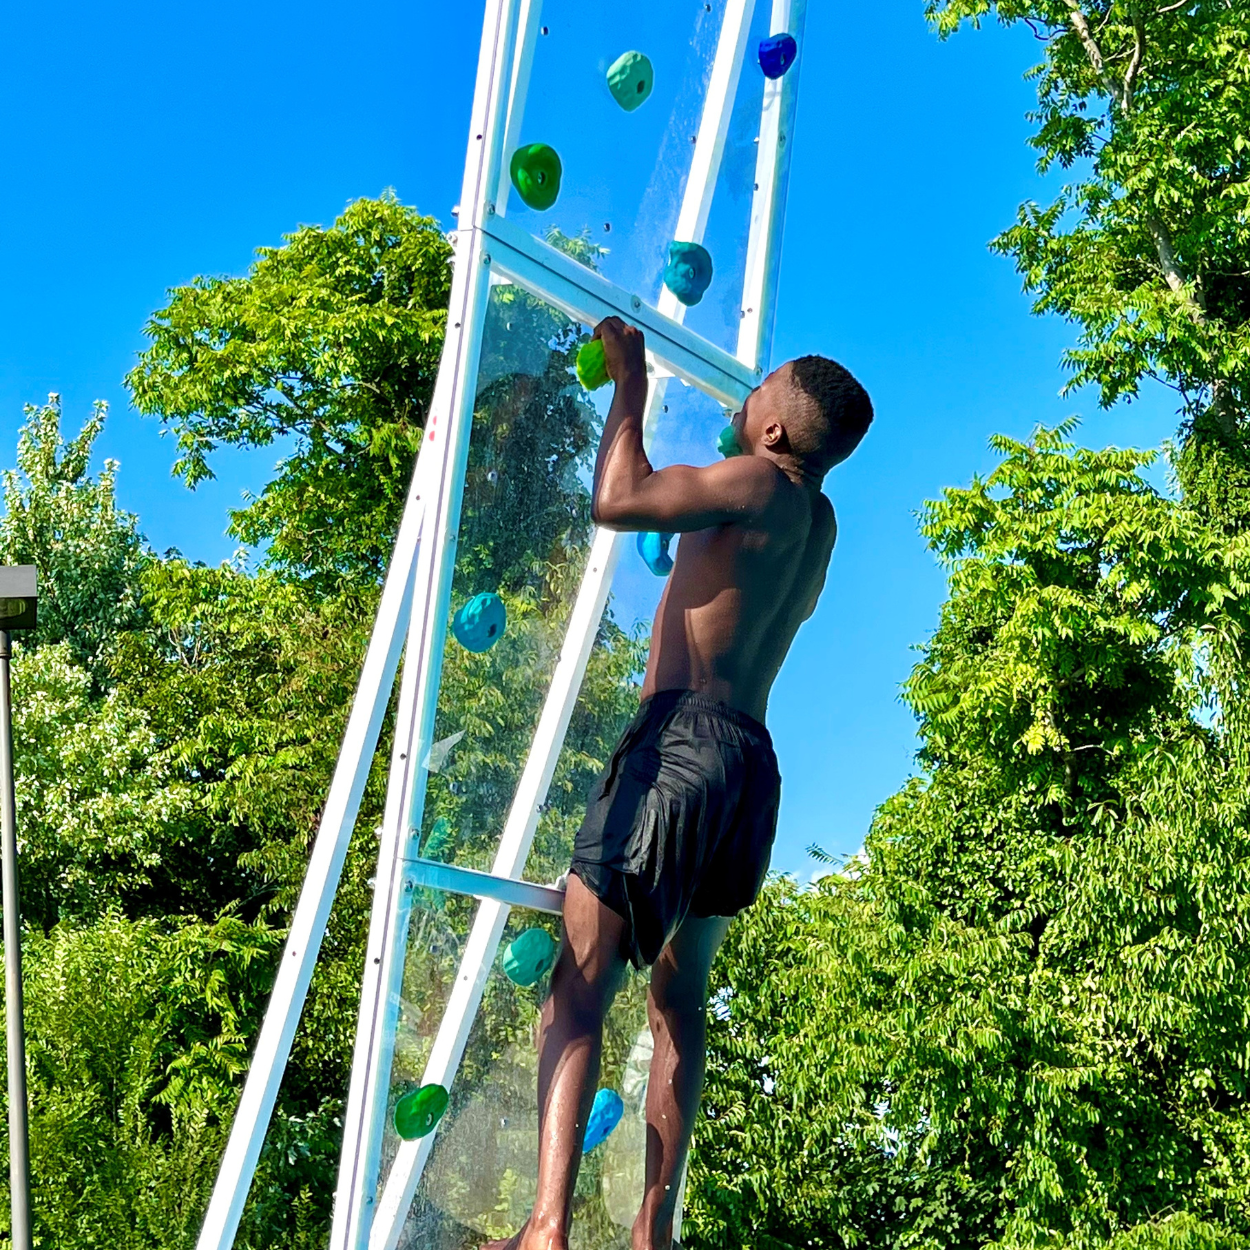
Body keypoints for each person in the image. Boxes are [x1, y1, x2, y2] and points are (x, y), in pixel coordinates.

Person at [484, 316, 873, 1250]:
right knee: (678, 1001)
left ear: (776, 432)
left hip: (683, 744)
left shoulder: (757, 483)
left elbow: (616, 501)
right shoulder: (817, 524)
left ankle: (545, 1230)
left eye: (759, 385)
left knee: (580, 982)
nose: (743, 394)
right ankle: (651, 1233)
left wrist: (629, 384)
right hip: (750, 766)